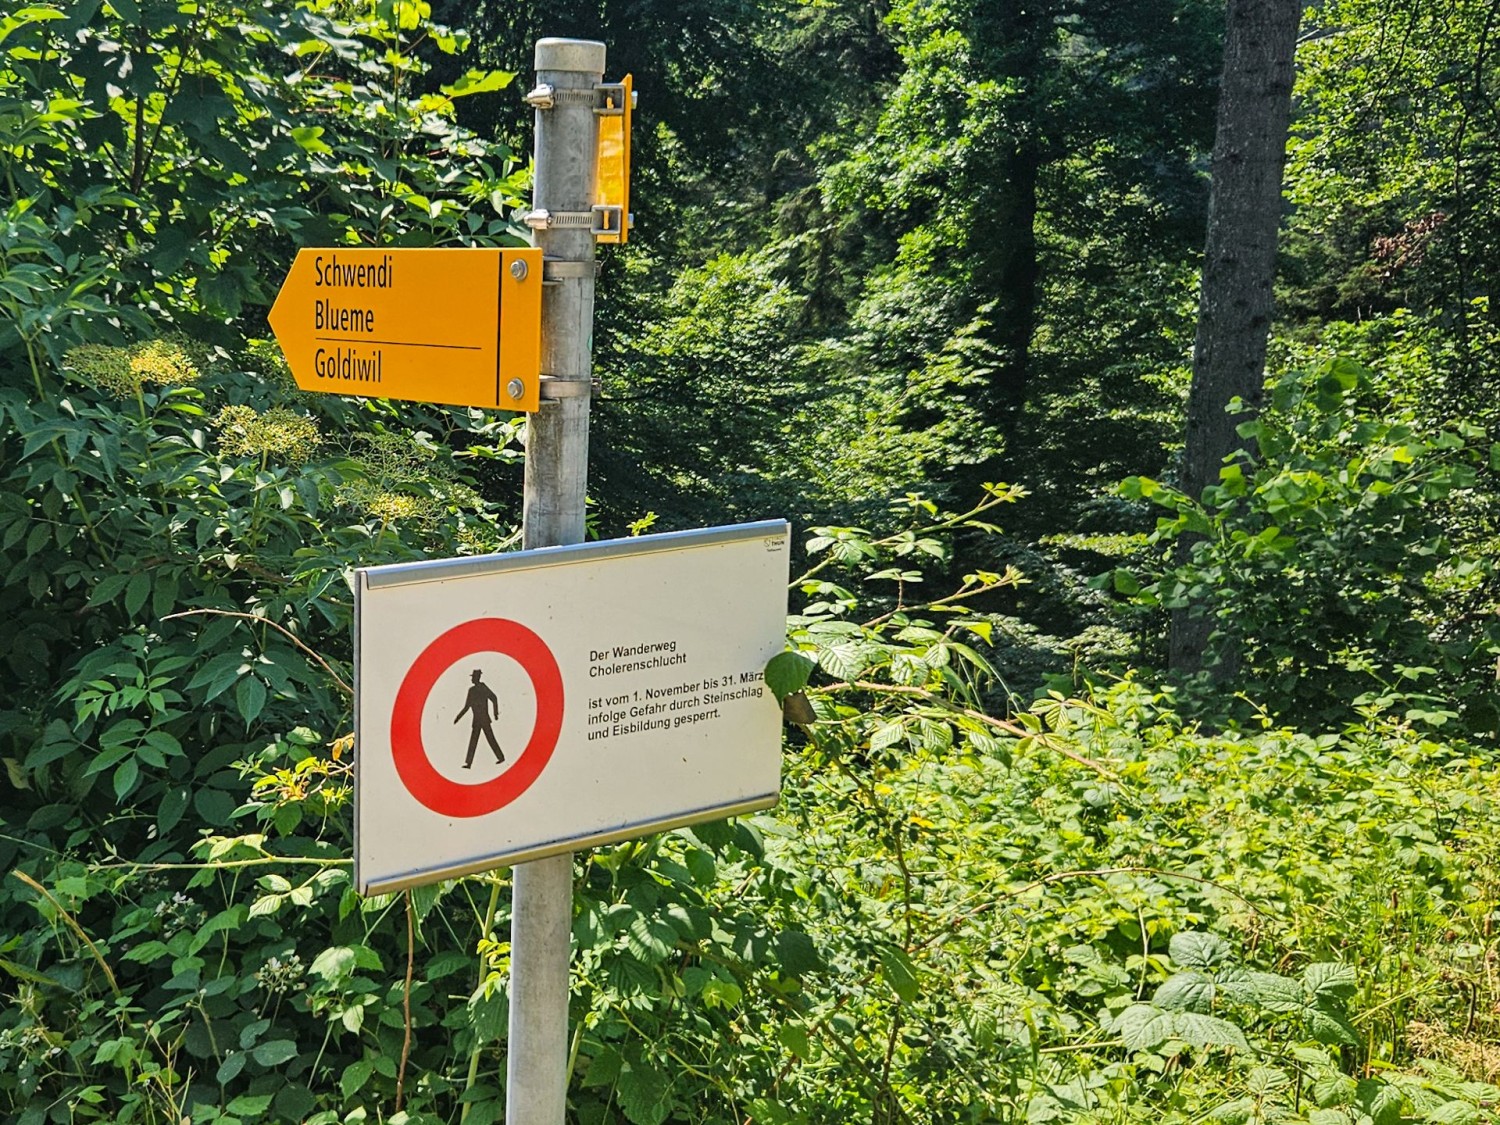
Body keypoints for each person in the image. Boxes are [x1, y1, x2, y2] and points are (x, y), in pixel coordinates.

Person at [454, 669, 504, 768]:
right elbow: (467, 706)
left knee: (490, 738)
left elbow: (494, 698)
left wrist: (495, 713)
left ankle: (500, 757)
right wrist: (458, 717)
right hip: (477, 720)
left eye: (473, 677)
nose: (472, 679)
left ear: (477, 678)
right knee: (474, 741)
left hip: (484, 719)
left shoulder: (483, 688)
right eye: (472, 677)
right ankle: (469, 763)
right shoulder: (471, 691)